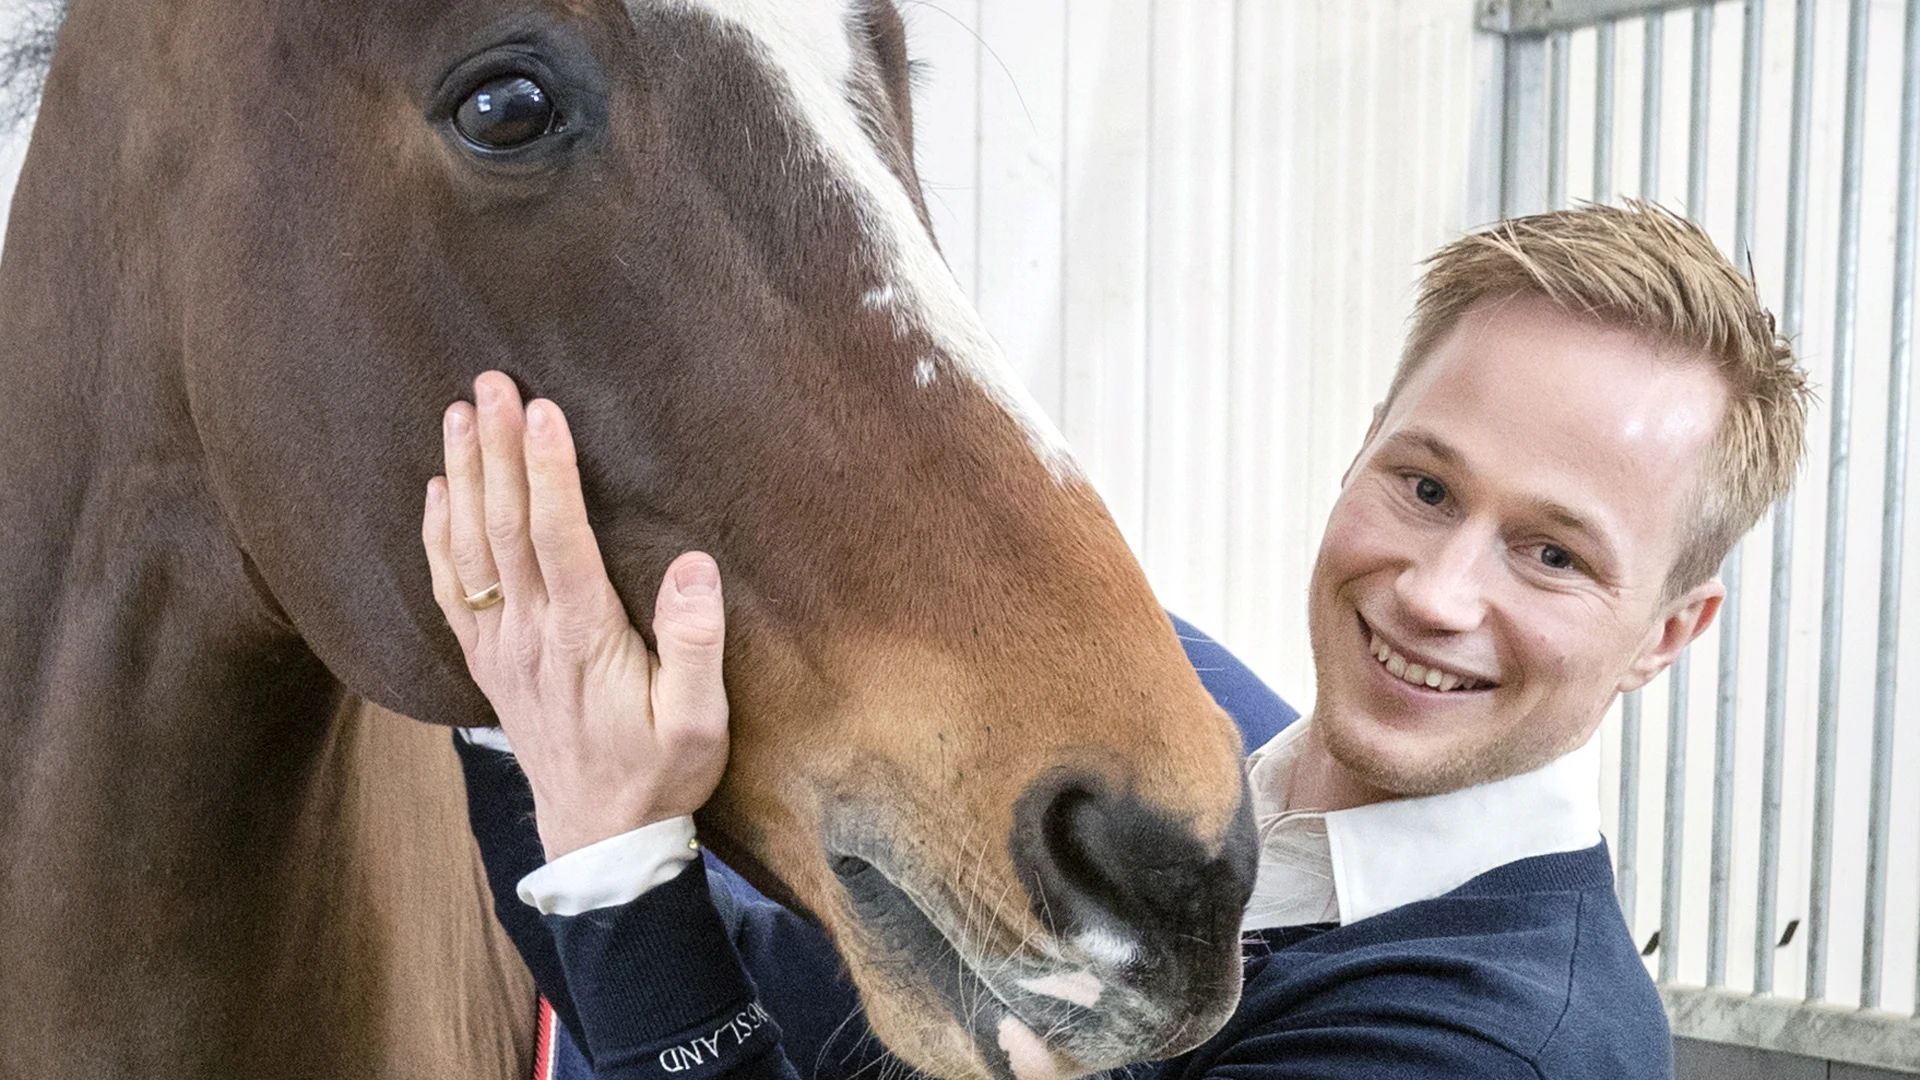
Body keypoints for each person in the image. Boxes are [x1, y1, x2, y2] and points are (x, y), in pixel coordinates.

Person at [423, 202, 1809, 1080]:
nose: (1439, 591)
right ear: (1357, 456)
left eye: (1552, 554)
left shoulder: (1499, 1044)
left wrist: (618, 866)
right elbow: (814, 1008)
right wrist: (527, 715)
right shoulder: (1191, 753)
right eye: (1426, 485)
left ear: (1666, 633)